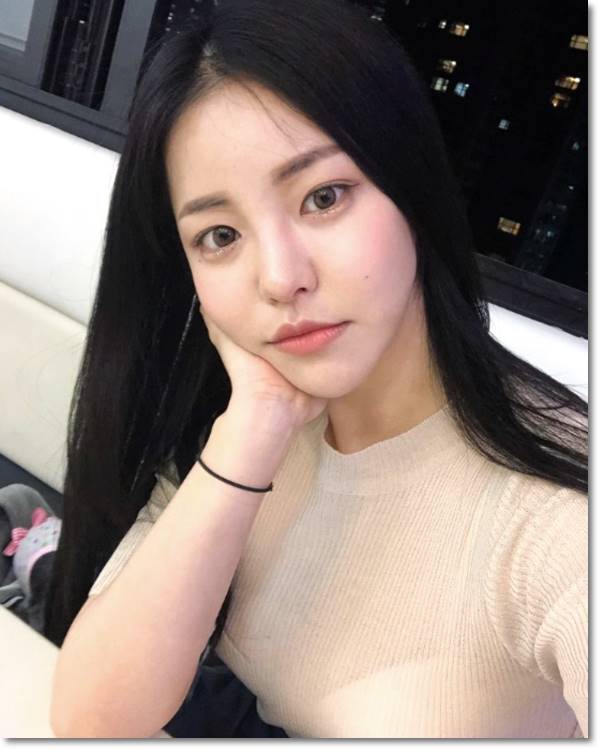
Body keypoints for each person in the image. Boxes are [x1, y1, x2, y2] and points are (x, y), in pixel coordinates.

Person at [44, 0, 588, 738]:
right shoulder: (242, 415)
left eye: (323, 198)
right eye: (220, 236)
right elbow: (93, 719)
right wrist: (256, 425)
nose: (280, 278)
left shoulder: (558, 514)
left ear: (411, 185)